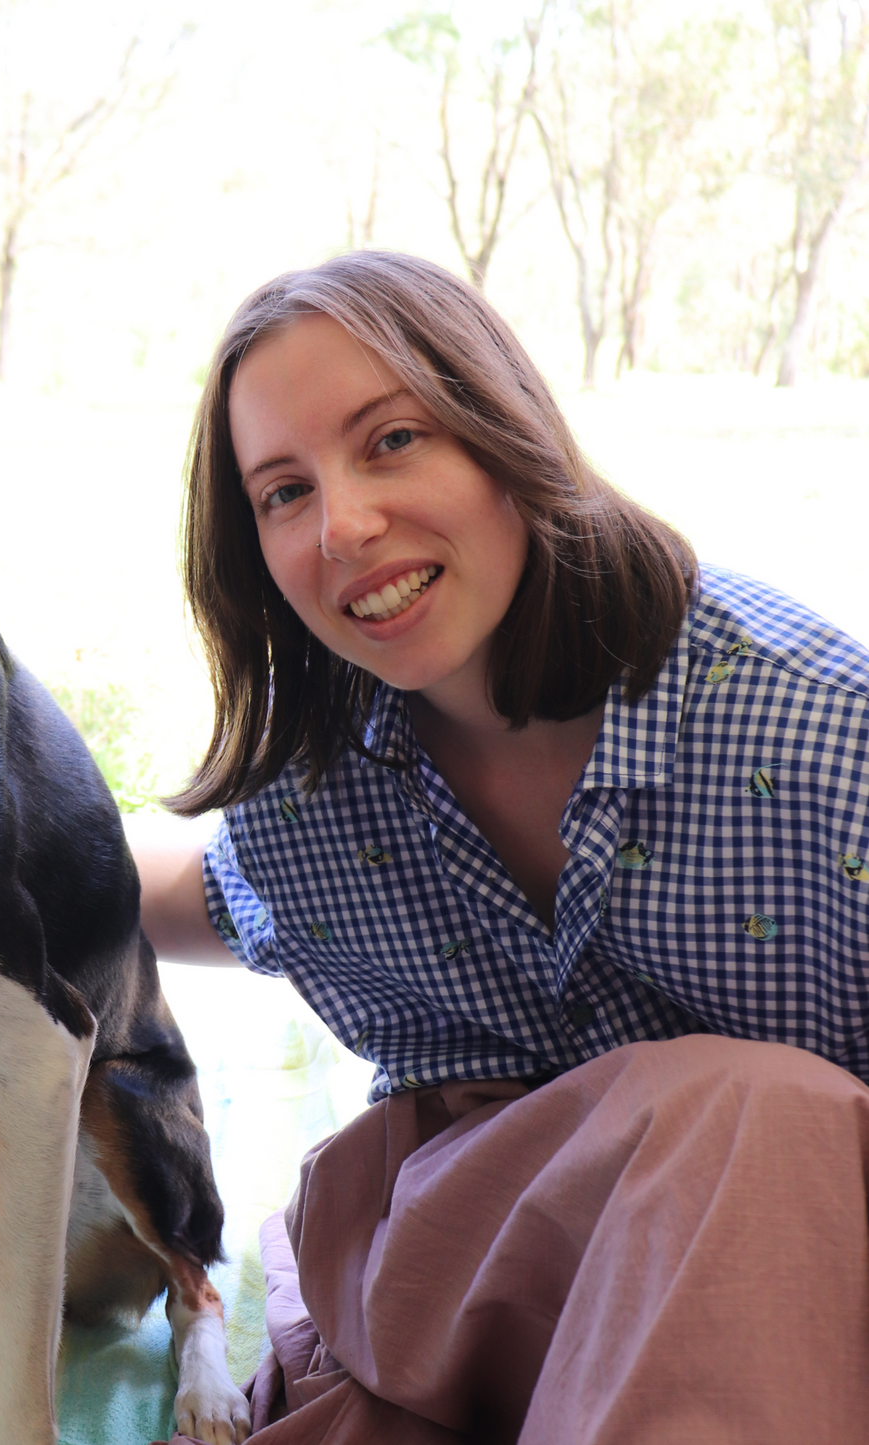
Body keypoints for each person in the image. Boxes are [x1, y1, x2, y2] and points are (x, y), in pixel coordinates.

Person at [131, 251, 869, 1445]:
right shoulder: (320, 799)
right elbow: (187, 891)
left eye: (390, 440)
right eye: (282, 491)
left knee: (757, 1116)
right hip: (459, 1285)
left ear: (500, 426)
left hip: (776, 1283)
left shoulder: (819, 738)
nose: (345, 526)